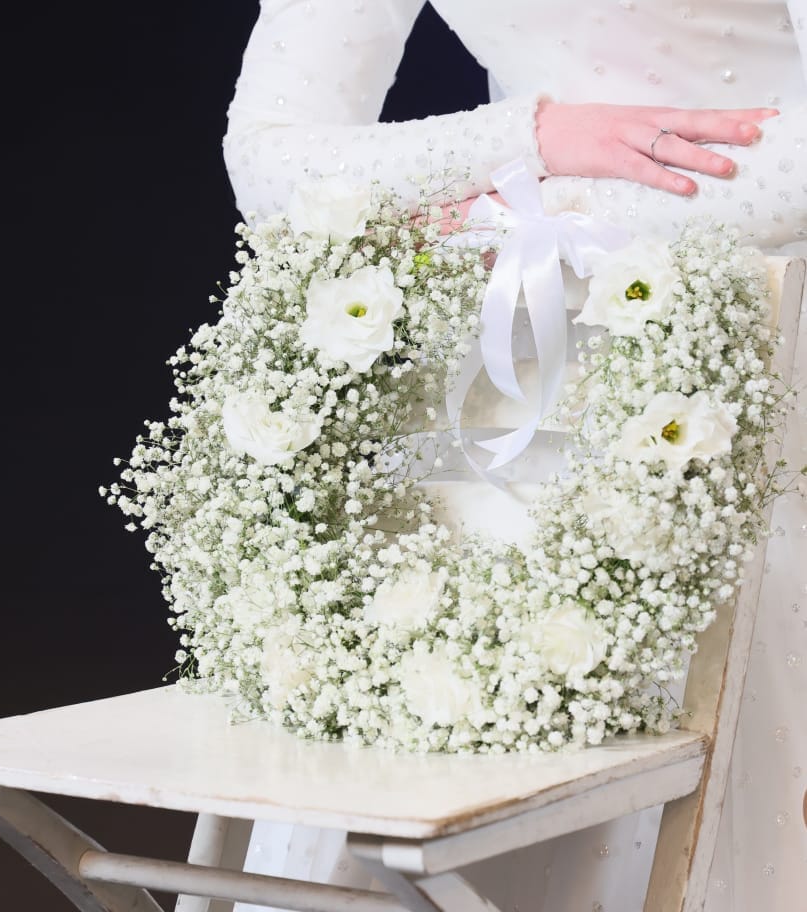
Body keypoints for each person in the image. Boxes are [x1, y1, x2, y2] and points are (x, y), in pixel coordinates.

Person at [220, 2, 807, 909]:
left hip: (761, 350)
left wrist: (529, 211)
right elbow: (266, 165)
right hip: (512, 395)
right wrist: (531, 137)